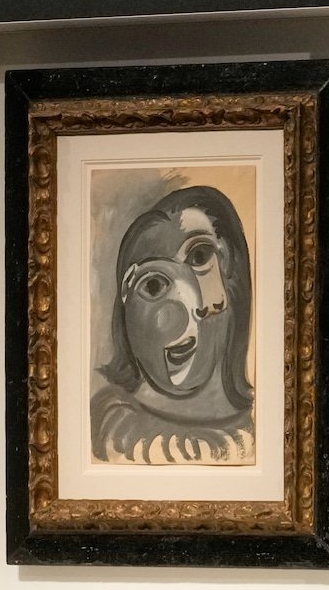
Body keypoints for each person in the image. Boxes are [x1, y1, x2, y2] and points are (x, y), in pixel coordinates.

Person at [91, 185, 257, 464]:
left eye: (199, 258)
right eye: (153, 285)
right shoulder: (108, 427)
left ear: (229, 263)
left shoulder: (270, 427)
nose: (183, 303)